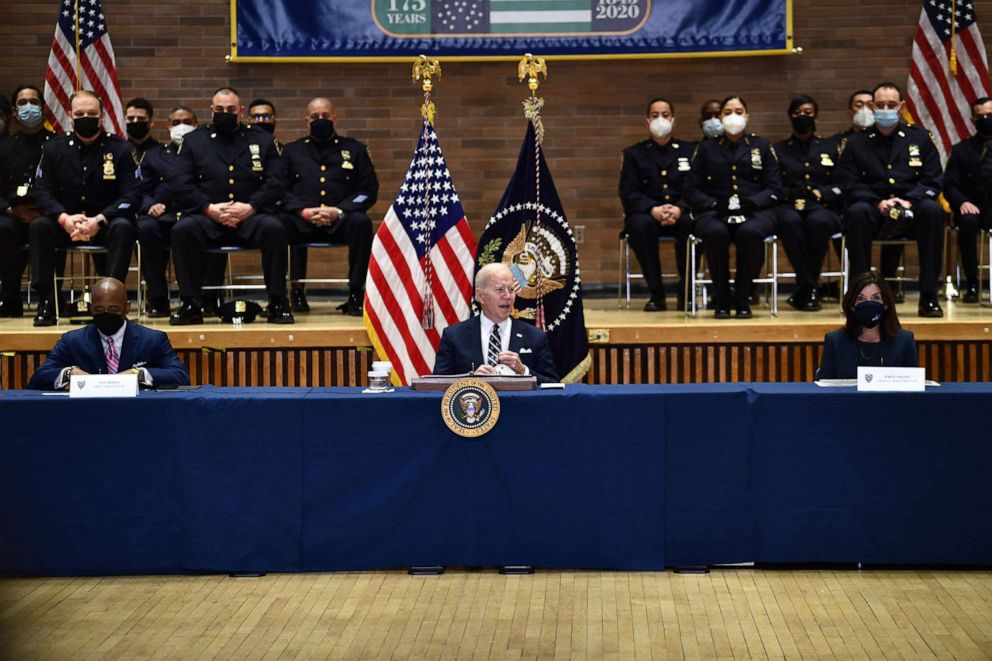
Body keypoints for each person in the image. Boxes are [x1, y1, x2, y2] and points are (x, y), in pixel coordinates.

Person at [169, 86, 292, 325]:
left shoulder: (263, 140)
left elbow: (277, 181)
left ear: (241, 111)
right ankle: (191, 303)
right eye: (220, 109)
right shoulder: (193, 141)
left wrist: (252, 206)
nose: (225, 113)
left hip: (250, 216)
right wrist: (208, 208)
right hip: (208, 216)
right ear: (211, 110)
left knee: (276, 228)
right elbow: (181, 183)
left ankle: (277, 301)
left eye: (231, 109)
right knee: (181, 231)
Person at [29, 90, 139, 326]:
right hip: (66, 221)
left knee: (124, 227)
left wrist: (99, 220)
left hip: (105, 222)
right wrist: (63, 218)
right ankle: (47, 302)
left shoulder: (120, 149)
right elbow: (41, 191)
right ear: (70, 116)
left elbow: (133, 194)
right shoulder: (53, 149)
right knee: (40, 226)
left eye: (92, 113)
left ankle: (114, 302)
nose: (86, 117)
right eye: (80, 113)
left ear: (101, 117)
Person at [836, 82, 945, 317]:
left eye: (891, 104)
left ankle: (929, 297)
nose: (886, 108)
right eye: (881, 104)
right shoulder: (856, 143)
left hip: (912, 208)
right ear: (873, 106)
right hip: (873, 210)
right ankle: (861, 297)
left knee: (933, 211)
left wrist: (909, 201)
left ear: (902, 106)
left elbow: (933, 180)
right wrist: (877, 202)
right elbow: (849, 183)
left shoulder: (921, 138)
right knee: (856, 212)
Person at [272, 96, 377, 316]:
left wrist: (340, 210)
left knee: (362, 222)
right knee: (276, 226)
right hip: (302, 219)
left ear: (335, 118)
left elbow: (368, 191)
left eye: (325, 116)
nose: (321, 120)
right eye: (315, 116)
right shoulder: (292, 151)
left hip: (340, 219)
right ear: (306, 120)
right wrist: (303, 211)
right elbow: (280, 190)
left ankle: (356, 294)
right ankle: (290, 293)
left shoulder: (355, 150)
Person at [685, 95, 783, 318]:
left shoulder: (762, 146)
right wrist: (713, 203)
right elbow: (691, 188)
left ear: (747, 116)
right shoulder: (706, 149)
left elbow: (775, 188)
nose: (733, 116)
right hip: (715, 211)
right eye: (727, 112)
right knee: (715, 233)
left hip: (754, 211)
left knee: (750, 233)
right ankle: (721, 299)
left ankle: (742, 299)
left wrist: (753, 202)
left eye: (738, 111)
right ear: (720, 117)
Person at [26, 277, 190, 390]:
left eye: (113, 309)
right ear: (91, 309)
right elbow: (38, 378)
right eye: (99, 310)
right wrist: (69, 374)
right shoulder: (72, 341)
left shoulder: (153, 340)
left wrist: (138, 374)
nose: (106, 314)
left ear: (127, 308)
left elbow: (180, 376)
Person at [618, 98, 695, 311]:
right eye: (655, 115)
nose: (660, 119)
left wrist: (680, 208)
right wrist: (653, 209)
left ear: (673, 120)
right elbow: (628, 191)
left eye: (665, 115)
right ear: (647, 121)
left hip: (682, 211)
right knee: (640, 226)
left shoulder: (689, 151)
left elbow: (694, 187)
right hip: (648, 213)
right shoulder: (634, 154)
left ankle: (686, 293)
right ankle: (656, 294)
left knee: (694, 224)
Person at [433, 263, 558, 383]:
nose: (508, 296)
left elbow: (553, 383)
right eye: (499, 290)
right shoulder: (454, 336)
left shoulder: (535, 337)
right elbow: (437, 384)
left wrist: (523, 371)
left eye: (511, 289)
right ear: (480, 295)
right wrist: (470, 381)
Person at [774, 95, 843, 312]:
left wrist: (822, 193)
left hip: (821, 207)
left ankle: (806, 287)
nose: (803, 117)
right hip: (790, 206)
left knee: (819, 223)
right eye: (798, 113)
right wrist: (791, 193)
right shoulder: (778, 149)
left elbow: (842, 182)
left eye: (808, 112)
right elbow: (773, 185)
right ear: (790, 116)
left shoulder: (831, 147)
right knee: (788, 222)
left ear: (816, 116)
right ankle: (810, 286)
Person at [0, 84, 56, 317]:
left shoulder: (57, 144)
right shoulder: (3, 146)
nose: (28, 107)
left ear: (43, 108)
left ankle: (48, 298)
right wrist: (10, 210)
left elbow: (67, 186)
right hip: (13, 214)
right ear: (14, 111)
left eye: (33, 102)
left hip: (46, 214)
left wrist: (46, 210)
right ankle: (10, 297)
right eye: (22, 103)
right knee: (3, 228)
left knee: (43, 227)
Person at [125, 97, 183, 317]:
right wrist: (148, 205)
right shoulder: (117, 151)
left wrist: (159, 204)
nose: (135, 122)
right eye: (131, 118)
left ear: (151, 123)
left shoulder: (161, 152)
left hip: (159, 212)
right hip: (126, 211)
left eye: (141, 118)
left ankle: (162, 297)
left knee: (152, 229)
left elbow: (169, 184)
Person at [817, 271, 917, 379]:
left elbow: (913, 389)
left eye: (875, 298)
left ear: (886, 304)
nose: (869, 303)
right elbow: (824, 388)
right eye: (861, 299)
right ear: (852, 305)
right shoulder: (835, 341)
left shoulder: (904, 341)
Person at [943, 96, 992, 303]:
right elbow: (949, 185)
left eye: (990, 115)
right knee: (967, 223)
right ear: (973, 120)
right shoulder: (962, 149)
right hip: (971, 208)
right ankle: (972, 283)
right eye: (980, 116)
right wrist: (962, 201)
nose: (985, 119)